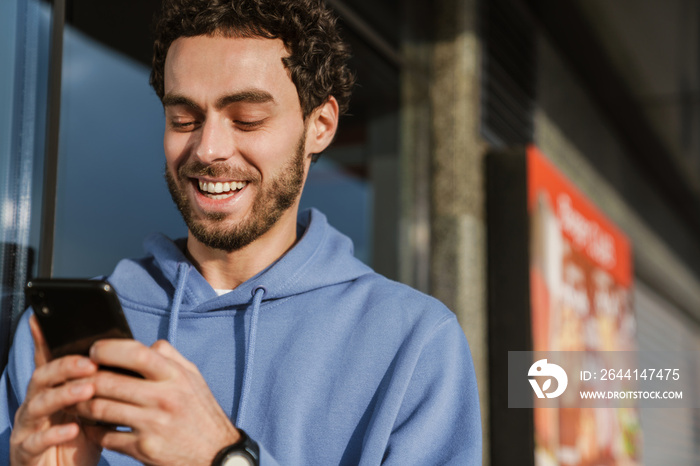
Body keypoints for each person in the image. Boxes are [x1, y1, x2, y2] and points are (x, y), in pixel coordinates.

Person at [0, 0, 482, 464]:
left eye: (247, 119)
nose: (209, 148)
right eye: (183, 119)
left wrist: (223, 458)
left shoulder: (413, 342)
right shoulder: (54, 342)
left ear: (320, 125)